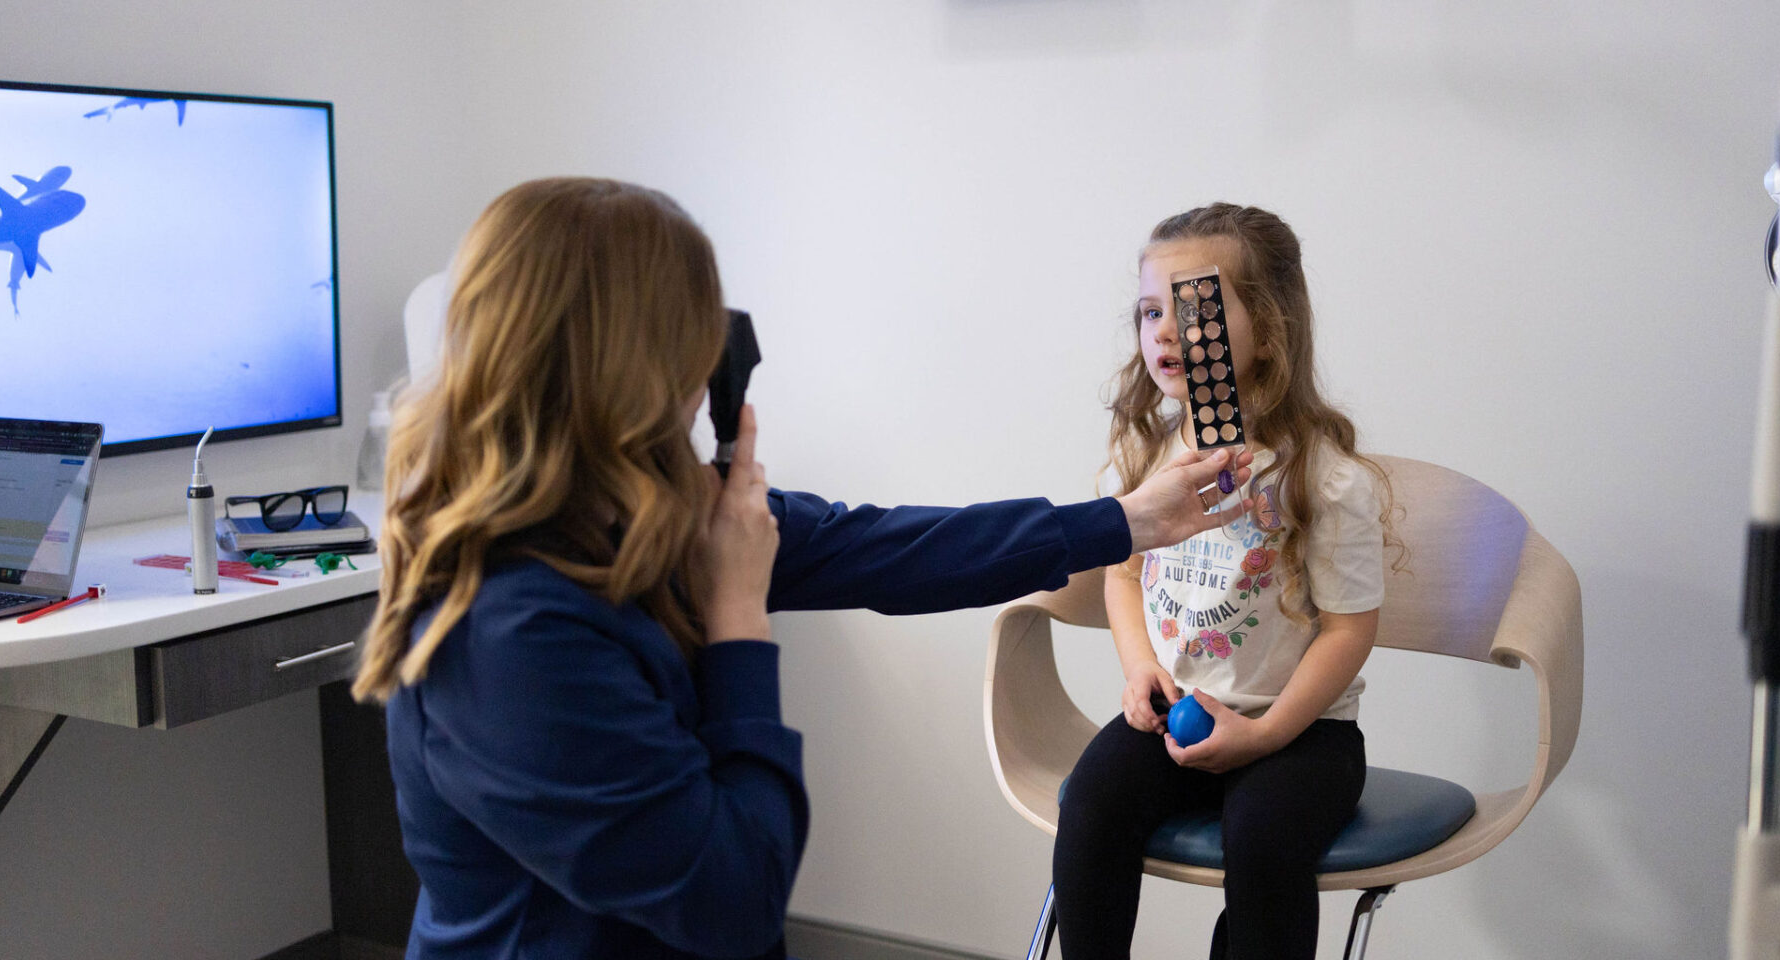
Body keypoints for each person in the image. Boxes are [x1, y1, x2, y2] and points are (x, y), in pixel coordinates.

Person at [350, 178, 1255, 960]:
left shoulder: (647, 514)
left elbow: (891, 550)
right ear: (643, 363)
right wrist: (739, 617)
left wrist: (1123, 521)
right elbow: (734, 895)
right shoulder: (509, 635)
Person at [1050, 203, 1403, 960]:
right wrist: (1141, 669)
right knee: (1088, 805)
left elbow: (1350, 629)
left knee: (1265, 838)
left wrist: (1269, 733)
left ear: (1269, 329)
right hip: (1176, 710)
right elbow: (1124, 575)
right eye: (1150, 312)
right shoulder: (1147, 457)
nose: (1165, 332)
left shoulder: (1324, 477)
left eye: (1192, 308)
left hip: (1302, 735)